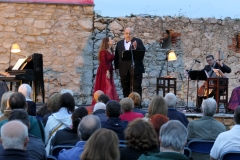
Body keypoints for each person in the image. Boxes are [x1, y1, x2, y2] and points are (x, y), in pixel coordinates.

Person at [114, 27, 146, 98]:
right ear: (124, 34)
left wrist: (136, 47)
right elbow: (116, 56)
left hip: (136, 68)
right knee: (125, 88)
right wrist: (116, 67)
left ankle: (137, 104)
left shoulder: (138, 41)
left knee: (136, 87)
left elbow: (143, 51)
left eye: (130, 33)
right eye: (126, 33)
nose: (128, 35)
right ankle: (126, 104)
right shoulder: (119, 43)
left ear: (133, 34)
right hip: (124, 69)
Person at [92, 36, 119, 102]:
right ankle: (107, 101)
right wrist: (107, 71)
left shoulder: (110, 50)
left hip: (109, 70)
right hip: (104, 70)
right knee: (107, 86)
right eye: (110, 39)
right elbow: (103, 62)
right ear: (107, 42)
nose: (112, 40)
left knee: (109, 86)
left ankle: (109, 101)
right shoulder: (103, 51)